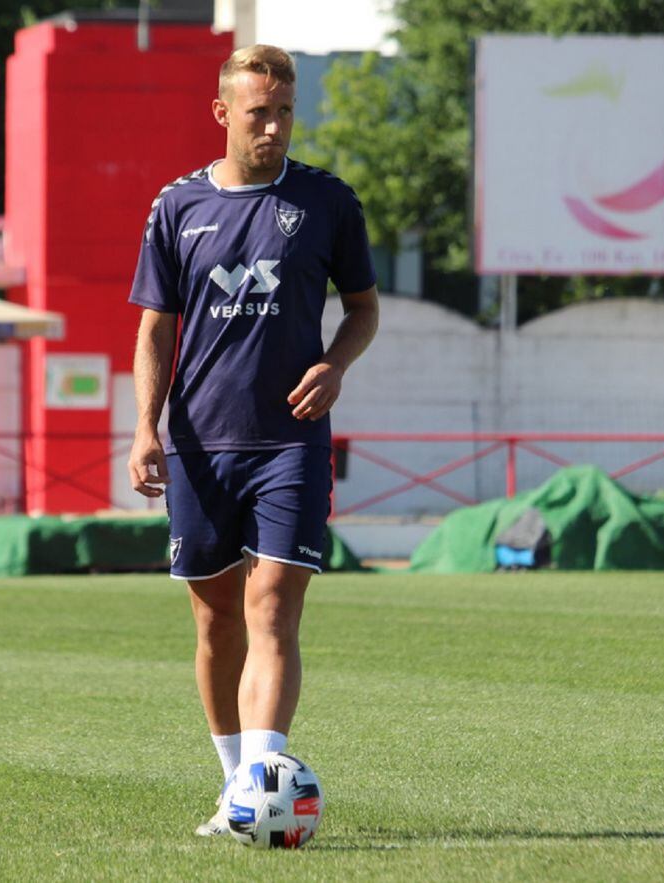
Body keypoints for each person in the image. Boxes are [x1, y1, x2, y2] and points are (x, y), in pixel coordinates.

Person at [126, 43, 379, 837]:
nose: (272, 126)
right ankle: (238, 785)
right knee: (215, 620)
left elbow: (364, 308)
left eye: (284, 112)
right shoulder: (176, 207)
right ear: (223, 113)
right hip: (201, 444)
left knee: (273, 604)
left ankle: (261, 786)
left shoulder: (328, 202)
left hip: (291, 443)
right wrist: (145, 425)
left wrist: (336, 365)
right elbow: (154, 330)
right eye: (258, 111)